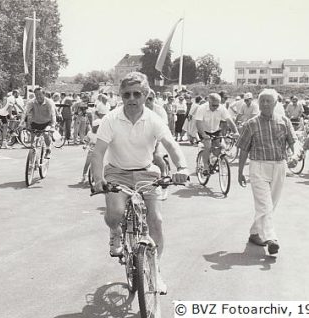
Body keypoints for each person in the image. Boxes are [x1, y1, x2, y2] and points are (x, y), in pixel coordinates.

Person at [91, 72, 189, 293]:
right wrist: (99, 179)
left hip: (146, 172)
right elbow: (98, 153)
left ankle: (156, 274)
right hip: (117, 172)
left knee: (156, 220)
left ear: (145, 95)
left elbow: (171, 145)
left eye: (137, 94)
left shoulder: (154, 119)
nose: (132, 99)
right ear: (121, 96)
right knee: (114, 214)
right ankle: (116, 231)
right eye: (127, 94)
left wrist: (182, 168)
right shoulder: (111, 119)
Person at [236, 89, 297, 256]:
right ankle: (271, 238)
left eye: (268, 101)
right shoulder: (251, 124)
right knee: (265, 204)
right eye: (262, 101)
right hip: (258, 166)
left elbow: (293, 143)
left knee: (272, 204)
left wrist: (294, 155)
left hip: (279, 166)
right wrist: (240, 171)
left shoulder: (284, 121)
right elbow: (243, 150)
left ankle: (255, 233)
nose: (264, 104)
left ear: (276, 103)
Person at [195, 93, 239, 175]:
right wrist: (203, 134)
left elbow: (229, 121)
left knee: (220, 148)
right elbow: (198, 123)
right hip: (203, 130)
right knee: (207, 145)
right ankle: (205, 166)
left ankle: (214, 161)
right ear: (209, 102)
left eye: (217, 105)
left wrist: (236, 132)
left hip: (215, 130)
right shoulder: (202, 108)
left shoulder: (222, 108)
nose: (215, 107)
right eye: (213, 105)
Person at [21, 86, 56, 158]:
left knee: (46, 134)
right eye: (36, 94)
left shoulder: (49, 102)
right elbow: (25, 112)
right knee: (33, 141)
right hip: (35, 122)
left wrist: (53, 126)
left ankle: (48, 149)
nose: (38, 96)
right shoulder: (31, 102)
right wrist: (21, 122)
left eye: (40, 94)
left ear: (44, 94)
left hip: (47, 122)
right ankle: (33, 160)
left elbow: (53, 114)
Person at [81, 118, 99, 183]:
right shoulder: (90, 133)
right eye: (93, 127)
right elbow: (87, 140)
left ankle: (94, 177)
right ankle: (84, 175)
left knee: (95, 165)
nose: (94, 128)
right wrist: (85, 145)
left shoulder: (101, 134)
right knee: (87, 164)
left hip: (98, 152)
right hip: (91, 151)